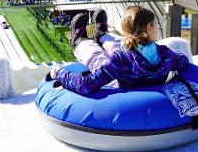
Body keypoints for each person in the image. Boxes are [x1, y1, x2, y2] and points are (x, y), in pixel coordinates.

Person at [49, 6, 189, 95]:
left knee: (98, 58)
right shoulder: (167, 55)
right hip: (139, 72)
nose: (157, 29)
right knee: (119, 45)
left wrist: (59, 73)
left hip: (123, 82)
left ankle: (80, 42)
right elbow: (183, 61)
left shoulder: (120, 59)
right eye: (156, 25)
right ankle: (102, 35)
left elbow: (86, 85)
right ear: (149, 28)